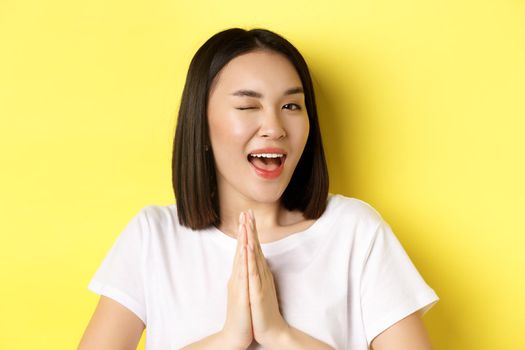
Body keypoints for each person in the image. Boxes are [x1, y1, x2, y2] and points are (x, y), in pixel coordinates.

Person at [77, 28, 439, 350]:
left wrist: (280, 334)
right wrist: (228, 339)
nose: (275, 126)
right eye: (248, 106)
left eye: (291, 105)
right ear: (200, 124)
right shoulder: (153, 238)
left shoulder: (356, 233)